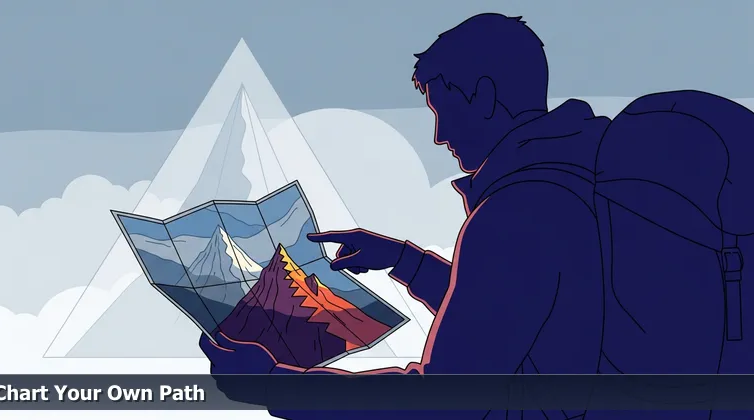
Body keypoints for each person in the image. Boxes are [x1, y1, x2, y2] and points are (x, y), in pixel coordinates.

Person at [201, 13, 610, 419]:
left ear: (484, 97)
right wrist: (406, 261)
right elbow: (505, 316)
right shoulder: (580, 184)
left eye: (443, 109)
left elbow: (443, 399)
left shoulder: (513, 214)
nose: (440, 135)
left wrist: (274, 383)